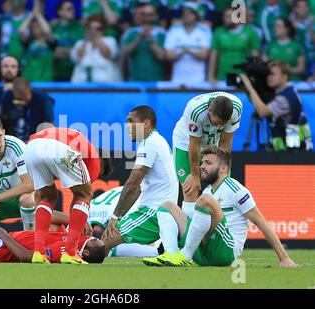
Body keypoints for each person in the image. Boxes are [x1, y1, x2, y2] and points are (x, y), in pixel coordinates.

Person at [143, 145, 299, 268]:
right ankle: (171, 254)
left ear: (224, 169)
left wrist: (284, 258)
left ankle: (185, 255)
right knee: (167, 206)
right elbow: (196, 223)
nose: (202, 166)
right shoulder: (208, 190)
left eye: (208, 163)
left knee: (205, 200)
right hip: (203, 253)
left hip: (225, 252)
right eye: (202, 162)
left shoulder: (236, 190)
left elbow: (262, 223)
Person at [24, 126, 113, 264]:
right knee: (84, 195)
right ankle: (70, 253)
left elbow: (38, 196)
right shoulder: (95, 160)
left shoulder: (79, 142)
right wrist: (77, 223)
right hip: (60, 148)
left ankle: (38, 252)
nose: (92, 178)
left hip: (31, 147)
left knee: (47, 197)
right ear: (100, 164)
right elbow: (80, 196)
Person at [102, 106, 179, 257]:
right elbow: (137, 189)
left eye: (131, 121)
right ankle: (162, 251)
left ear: (146, 123)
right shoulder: (158, 141)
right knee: (105, 243)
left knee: (101, 245)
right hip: (162, 212)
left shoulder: (148, 144)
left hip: (153, 213)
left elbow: (132, 185)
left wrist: (115, 218)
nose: (127, 127)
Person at [173, 92, 242, 218]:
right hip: (186, 142)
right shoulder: (196, 109)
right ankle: (188, 233)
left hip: (213, 143)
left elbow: (225, 142)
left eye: (223, 123)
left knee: (222, 188)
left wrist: (221, 169)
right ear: (210, 110)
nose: (220, 126)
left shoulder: (236, 109)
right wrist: (194, 174)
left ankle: (217, 232)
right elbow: (194, 144)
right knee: (191, 189)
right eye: (217, 122)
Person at [240, 61, 313, 151]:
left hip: (296, 153)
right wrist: (247, 91)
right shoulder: (285, 92)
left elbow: (263, 112)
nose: (269, 77)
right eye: (268, 74)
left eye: (272, 74)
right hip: (291, 150)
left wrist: (250, 87)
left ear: (284, 76)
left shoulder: (286, 97)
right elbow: (259, 107)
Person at [89, 186, 162, 257]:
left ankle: (160, 251)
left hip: (137, 207)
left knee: (102, 248)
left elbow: (97, 231)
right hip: (129, 202)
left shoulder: (96, 218)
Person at [208, 6, 260, 82]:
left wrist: (254, 77)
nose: (225, 19)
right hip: (222, 76)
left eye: (229, 16)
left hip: (243, 76)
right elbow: (213, 56)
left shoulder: (250, 33)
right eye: (225, 16)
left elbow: (255, 57)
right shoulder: (218, 32)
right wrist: (211, 77)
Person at [164, 1, 212, 85]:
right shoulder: (174, 30)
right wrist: (184, 51)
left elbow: (204, 55)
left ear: (196, 15)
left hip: (199, 80)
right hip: (177, 80)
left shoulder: (205, 30)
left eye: (190, 13)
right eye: (184, 13)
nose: (186, 15)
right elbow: (169, 56)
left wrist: (187, 50)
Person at [0, 76, 55, 142]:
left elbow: (49, 126)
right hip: (12, 141)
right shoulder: (8, 97)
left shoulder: (44, 100)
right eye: (19, 98)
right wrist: (7, 116)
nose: (22, 101)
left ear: (29, 90)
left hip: (35, 141)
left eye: (24, 97)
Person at [120, 3, 166, 81]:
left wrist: (151, 41)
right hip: (135, 80)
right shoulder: (131, 32)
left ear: (155, 16)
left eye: (150, 14)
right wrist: (138, 38)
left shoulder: (161, 33)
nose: (146, 17)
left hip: (156, 80)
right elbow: (123, 53)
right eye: (143, 14)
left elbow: (161, 56)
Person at [70, 14, 120, 82]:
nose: (93, 31)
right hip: (82, 83)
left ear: (104, 29)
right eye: (90, 28)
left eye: (98, 29)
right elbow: (77, 58)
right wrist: (86, 41)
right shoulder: (80, 43)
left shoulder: (110, 41)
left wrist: (96, 40)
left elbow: (108, 55)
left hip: (106, 84)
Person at [19, 8, 56, 81]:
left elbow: (48, 31)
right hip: (29, 82)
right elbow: (21, 31)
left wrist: (39, 15)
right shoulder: (28, 43)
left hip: (46, 81)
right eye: (33, 26)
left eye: (39, 26)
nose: (36, 29)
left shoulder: (50, 43)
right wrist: (30, 16)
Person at [51, 0, 84, 81]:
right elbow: (49, 51)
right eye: (69, 9)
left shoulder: (80, 27)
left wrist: (63, 51)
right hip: (55, 72)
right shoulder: (52, 28)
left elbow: (81, 49)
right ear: (60, 12)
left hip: (75, 72)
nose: (73, 11)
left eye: (73, 9)